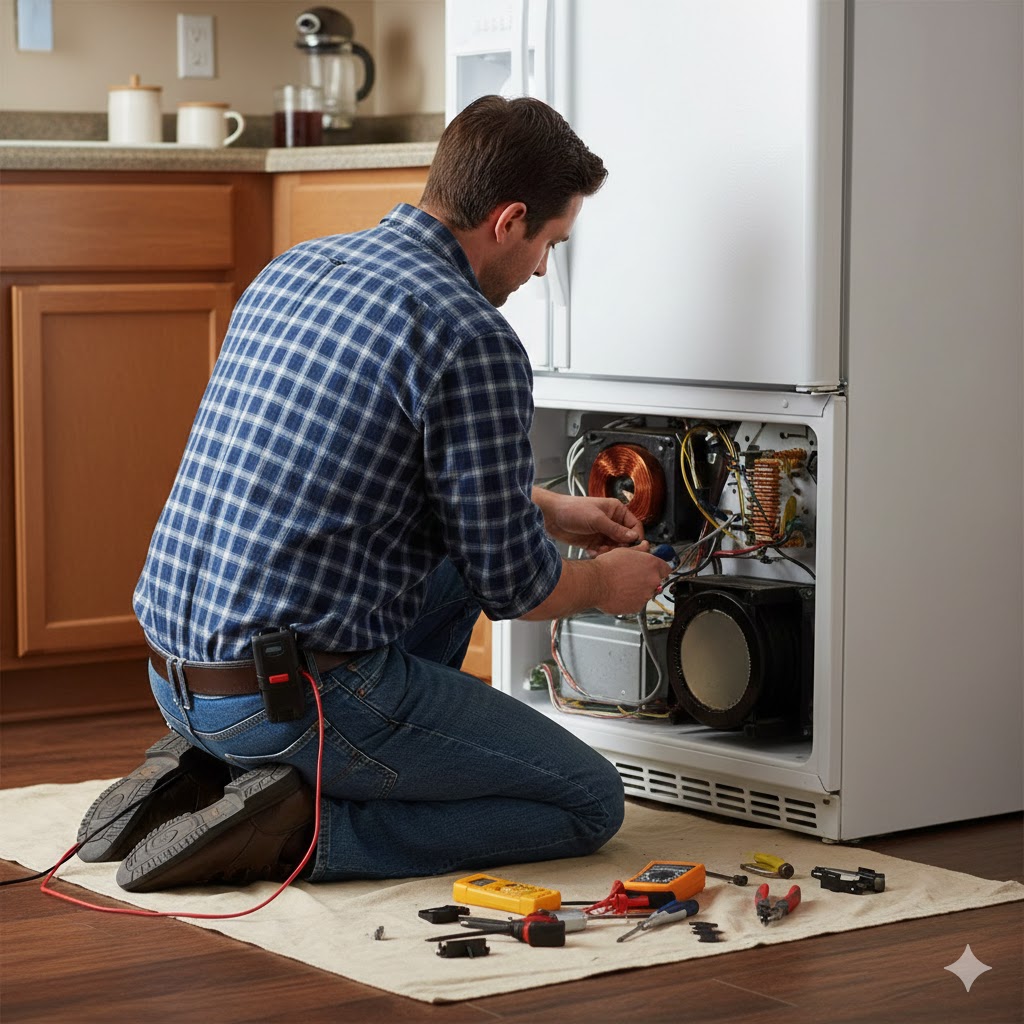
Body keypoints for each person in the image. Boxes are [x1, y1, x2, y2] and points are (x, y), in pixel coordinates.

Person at [79, 95, 671, 893]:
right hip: (286, 703)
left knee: (459, 561)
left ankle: (212, 767)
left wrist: (548, 507)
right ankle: (303, 829)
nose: (540, 270)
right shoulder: (472, 334)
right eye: (548, 245)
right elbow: (517, 588)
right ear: (509, 220)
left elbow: (338, 465)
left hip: (174, 676)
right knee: (589, 802)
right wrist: (607, 584)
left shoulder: (295, 267)